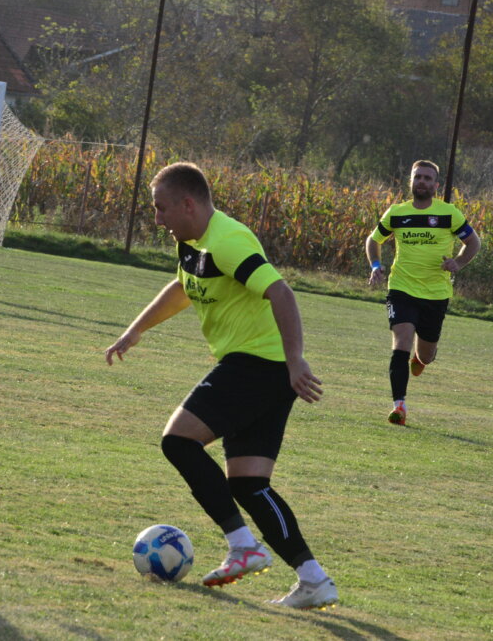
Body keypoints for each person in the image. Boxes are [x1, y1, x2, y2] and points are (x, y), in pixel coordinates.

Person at [105, 163, 338, 610]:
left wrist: (295, 361)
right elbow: (184, 286)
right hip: (263, 370)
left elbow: (281, 293)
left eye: (161, 208)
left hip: (258, 365)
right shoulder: (192, 242)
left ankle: (243, 546)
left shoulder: (228, 241)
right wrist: (136, 330)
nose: (157, 219)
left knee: (178, 440)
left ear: (188, 204)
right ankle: (314, 579)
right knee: (249, 484)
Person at [365, 159, 480, 426]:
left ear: (436, 185)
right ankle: (399, 407)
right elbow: (374, 239)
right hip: (402, 288)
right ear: (411, 181)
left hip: (436, 293)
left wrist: (458, 263)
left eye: (428, 179)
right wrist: (375, 265)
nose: (422, 182)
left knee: (426, 354)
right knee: (400, 343)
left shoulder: (449, 213)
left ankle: (421, 358)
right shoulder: (396, 212)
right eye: (418, 177)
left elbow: (473, 241)